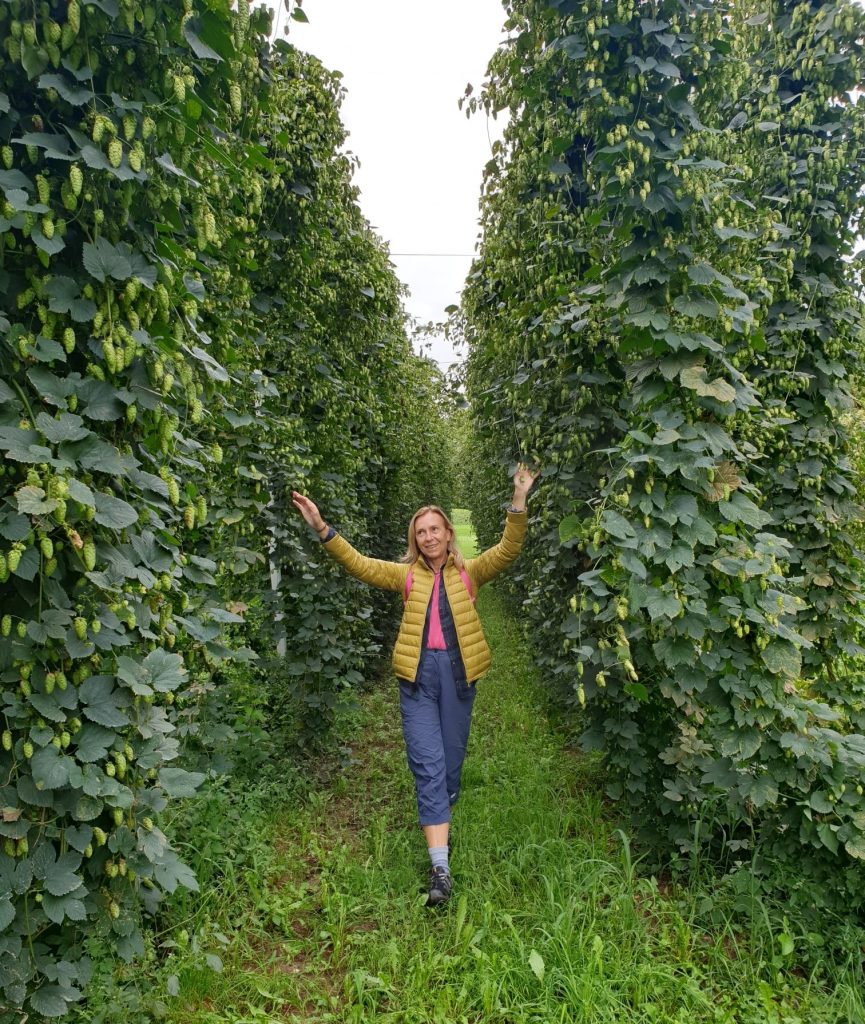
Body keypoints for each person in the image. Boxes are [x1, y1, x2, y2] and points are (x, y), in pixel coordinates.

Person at [291, 465, 539, 907]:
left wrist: (518, 499)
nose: (427, 537)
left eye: (434, 529)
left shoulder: (470, 573)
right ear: (415, 539)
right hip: (417, 679)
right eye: (420, 531)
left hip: (460, 676)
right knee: (427, 765)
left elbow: (509, 550)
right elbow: (360, 565)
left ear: (448, 534)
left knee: (448, 768)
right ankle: (440, 868)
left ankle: (440, 814)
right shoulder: (406, 575)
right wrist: (323, 529)